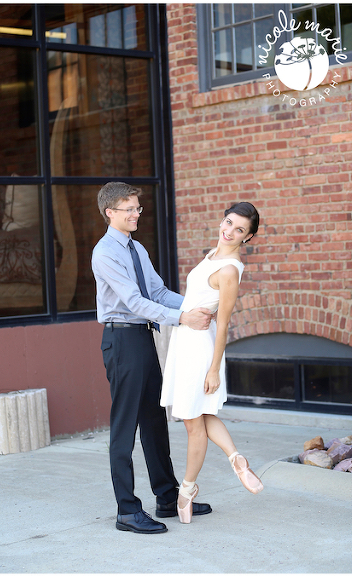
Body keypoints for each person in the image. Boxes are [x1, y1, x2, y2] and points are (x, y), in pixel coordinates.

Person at [91, 182, 217, 535]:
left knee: (154, 421)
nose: (135, 214)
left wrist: (197, 306)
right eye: (128, 209)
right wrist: (182, 318)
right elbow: (134, 302)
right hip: (121, 340)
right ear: (109, 212)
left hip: (144, 339)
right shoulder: (105, 253)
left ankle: (167, 497)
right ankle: (127, 511)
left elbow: (158, 292)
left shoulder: (137, 248)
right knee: (125, 426)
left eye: (137, 208)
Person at [160, 202, 264, 523]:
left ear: (247, 238)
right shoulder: (213, 255)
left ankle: (187, 490)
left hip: (199, 351)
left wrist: (214, 368)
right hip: (187, 342)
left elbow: (224, 323)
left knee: (194, 425)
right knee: (202, 416)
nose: (229, 231)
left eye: (239, 230)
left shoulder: (230, 269)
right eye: (229, 222)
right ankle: (236, 458)